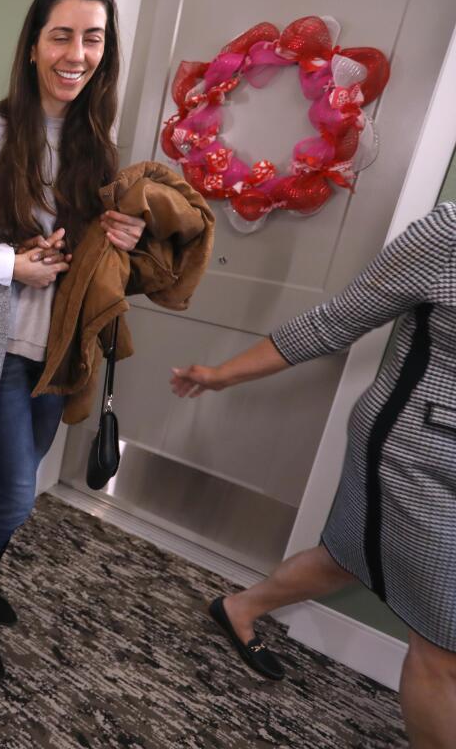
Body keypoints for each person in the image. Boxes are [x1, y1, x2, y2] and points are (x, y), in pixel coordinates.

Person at [0, 0, 212, 681]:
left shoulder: (95, 146)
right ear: (35, 44)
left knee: (14, 482)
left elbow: (85, 257)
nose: (77, 53)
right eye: (62, 36)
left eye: (93, 38)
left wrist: (116, 239)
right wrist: (11, 264)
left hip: (60, 345)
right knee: (16, 490)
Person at [171, 201, 456, 748]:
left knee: (348, 556)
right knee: (444, 647)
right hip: (415, 453)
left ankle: (239, 608)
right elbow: (335, 320)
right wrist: (221, 375)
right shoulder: (448, 234)